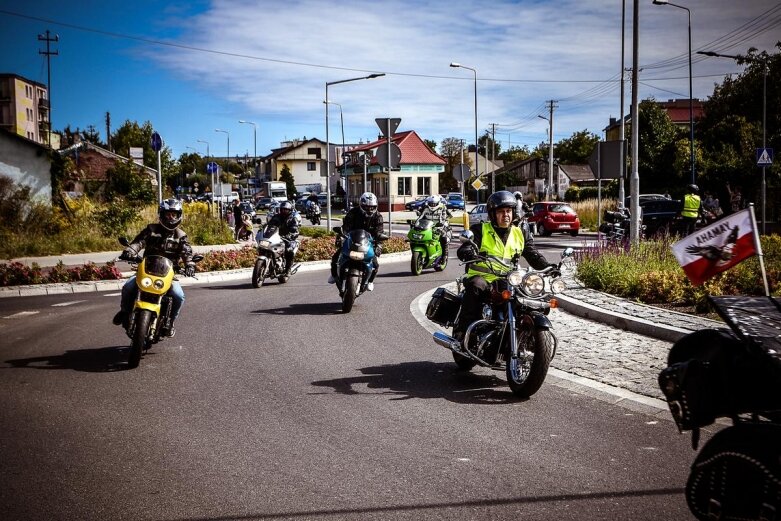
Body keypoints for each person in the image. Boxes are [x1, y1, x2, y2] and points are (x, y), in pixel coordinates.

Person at [453, 190, 555, 343]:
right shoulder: (481, 230)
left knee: (533, 295)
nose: (506, 215)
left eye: (509, 211)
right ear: (493, 214)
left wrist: (549, 268)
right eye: (501, 212)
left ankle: (525, 334)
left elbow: (532, 253)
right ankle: (464, 331)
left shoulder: (519, 233)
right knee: (476, 286)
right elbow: (466, 247)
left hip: (509, 280)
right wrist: (469, 252)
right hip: (483, 278)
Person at [112, 198, 195, 337]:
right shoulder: (151, 230)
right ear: (161, 214)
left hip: (168, 275)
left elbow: (187, 252)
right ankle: (125, 312)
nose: (170, 217)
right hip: (147, 270)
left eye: (173, 214)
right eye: (168, 214)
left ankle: (170, 322)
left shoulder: (181, 236)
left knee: (179, 296)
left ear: (179, 215)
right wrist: (130, 251)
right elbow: (138, 242)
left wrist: (190, 265)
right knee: (128, 287)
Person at [328, 192, 384, 291]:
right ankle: (333, 275)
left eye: (372, 207)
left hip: (368, 243)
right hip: (351, 239)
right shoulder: (353, 212)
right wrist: (340, 236)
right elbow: (346, 226)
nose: (369, 209)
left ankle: (370, 281)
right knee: (336, 257)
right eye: (366, 207)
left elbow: (379, 232)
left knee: (375, 264)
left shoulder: (378, 217)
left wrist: (379, 245)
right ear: (361, 205)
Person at [261, 200, 300, 275]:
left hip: (288, 238)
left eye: (286, 210)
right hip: (275, 237)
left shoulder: (292, 219)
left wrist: (291, 235)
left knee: (289, 251)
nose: (284, 211)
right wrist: (263, 230)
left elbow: (295, 229)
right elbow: (269, 225)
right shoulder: (276, 217)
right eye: (282, 209)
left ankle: (288, 269)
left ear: (289, 210)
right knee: (264, 247)